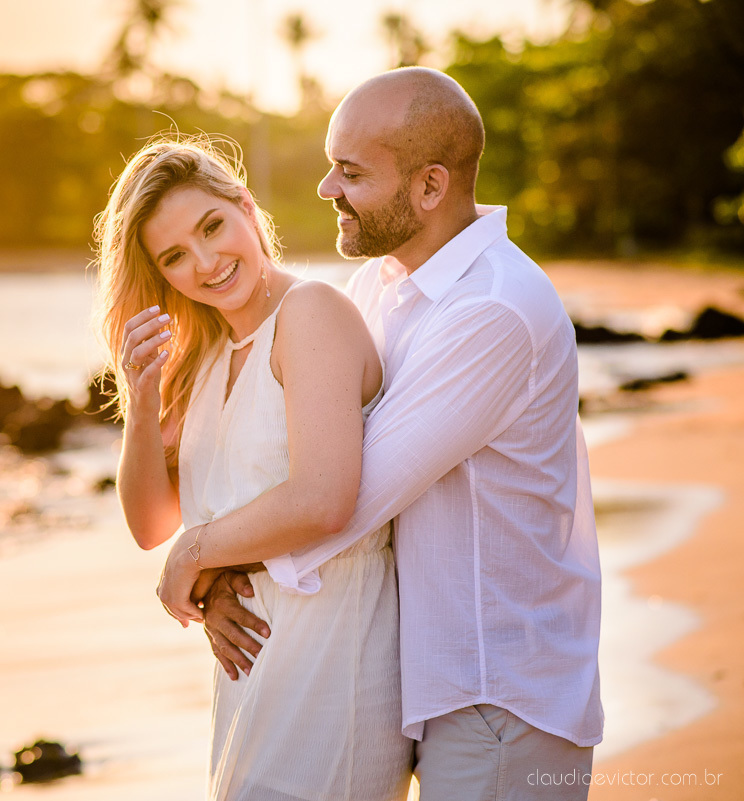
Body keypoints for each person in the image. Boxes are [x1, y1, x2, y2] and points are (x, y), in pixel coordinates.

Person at [198, 67, 604, 801]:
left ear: (429, 187)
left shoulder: (493, 309)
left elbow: (346, 497)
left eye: (350, 172)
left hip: (499, 695)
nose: (327, 189)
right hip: (428, 682)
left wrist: (199, 560)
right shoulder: (380, 289)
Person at [92, 136, 413, 800]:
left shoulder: (312, 312)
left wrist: (198, 553)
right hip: (251, 681)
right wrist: (143, 395)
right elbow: (152, 523)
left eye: (213, 226)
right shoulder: (207, 357)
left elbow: (325, 497)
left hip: (334, 671)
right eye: (175, 256)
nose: (206, 262)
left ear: (245, 205)